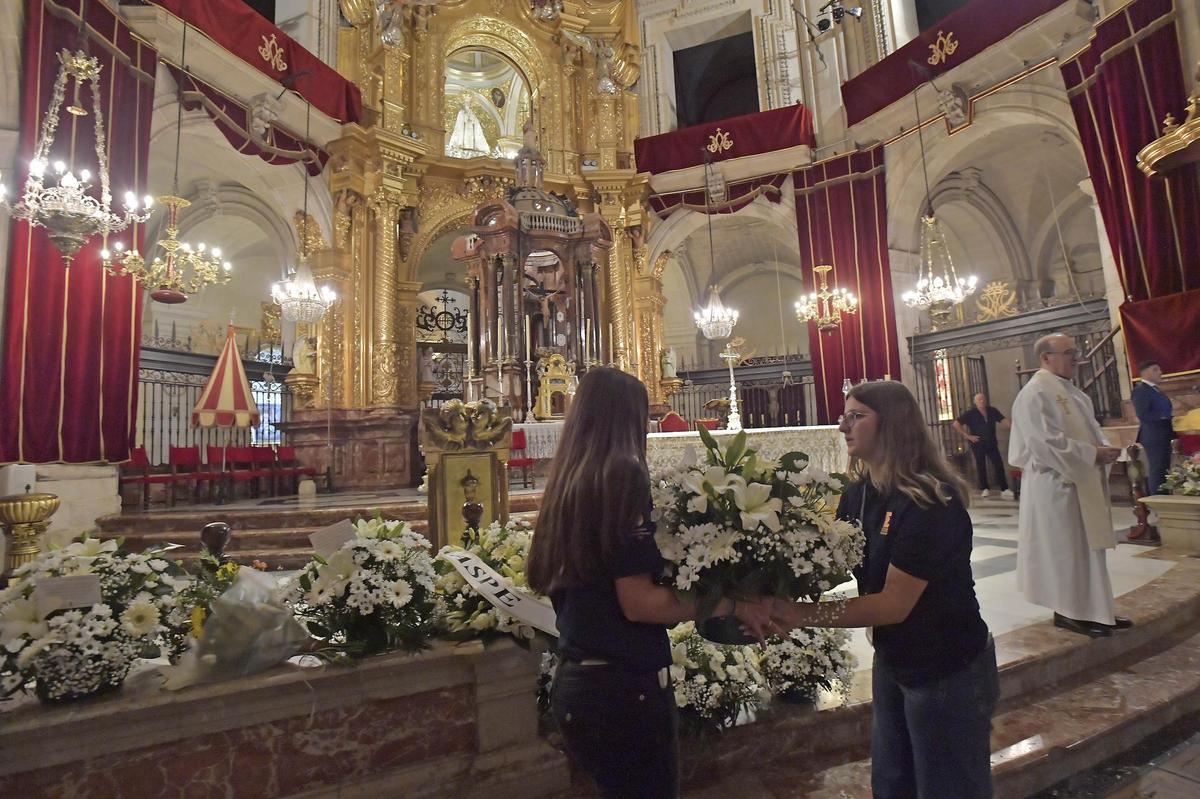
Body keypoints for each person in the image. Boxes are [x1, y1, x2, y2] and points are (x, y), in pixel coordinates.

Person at [526, 367, 772, 798]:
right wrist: (730, 604)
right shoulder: (621, 473)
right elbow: (640, 604)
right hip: (623, 692)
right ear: (627, 418)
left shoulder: (569, 479)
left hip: (579, 683)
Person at [769, 381, 997, 799]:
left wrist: (801, 616)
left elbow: (894, 604)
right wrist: (759, 578)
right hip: (894, 660)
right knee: (893, 784)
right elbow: (831, 564)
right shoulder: (859, 493)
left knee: (948, 789)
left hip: (947, 667)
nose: (842, 426)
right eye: (845, 415)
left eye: (856, 416)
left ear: (892, 424)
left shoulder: (930, 501)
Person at [1008, 333, 1129, 638]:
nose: (1076, 358)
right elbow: (1043, 444)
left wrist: (1103, 448)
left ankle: (1097, 610)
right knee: (1065, 550)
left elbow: (1092, 431)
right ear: (1046, 358)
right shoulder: (1035, 393)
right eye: (1068, 352)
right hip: (1056, 485)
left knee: (1087, 549)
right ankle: (1068, 612)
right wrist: (1091, 454)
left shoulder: (1074, 393)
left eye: (1076, 352)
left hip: (1080, 480)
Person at [953, 393, 1014, 499]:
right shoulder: (970, 413)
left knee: (998, 464)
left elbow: (1003, 420)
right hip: (978, 443)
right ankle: (985, 488)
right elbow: (956, 424)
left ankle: (1004, 488)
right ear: (975, 402)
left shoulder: (992, 411)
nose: (981, 401)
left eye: (983, 399)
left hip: (991, 442)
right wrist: (968, 436)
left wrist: (1015, 427)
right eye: (979, 399)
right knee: (981, 465)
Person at [1131, 359, 1177, 495]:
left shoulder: (1156, 390)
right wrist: (1166, 418)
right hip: (1154, 435)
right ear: (1145, 373)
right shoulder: (1140, 391)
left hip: (1164, 434)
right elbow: (1143, 414)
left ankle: (1165, 499)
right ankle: (1158, 501)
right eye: (1155, 370)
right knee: (1157, 469)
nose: (1160, 373)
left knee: (1164, 469)